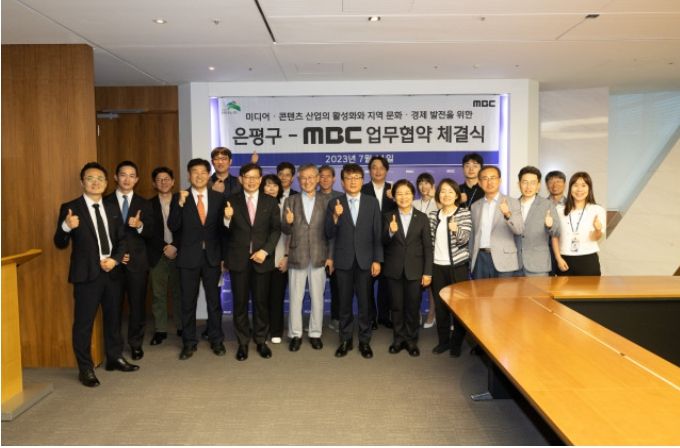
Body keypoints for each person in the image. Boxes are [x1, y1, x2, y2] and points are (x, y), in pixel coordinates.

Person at [54, 162, 138, 387]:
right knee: (84, 324)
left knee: (113, 319)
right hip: (86, 275)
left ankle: (114, 358)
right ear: (82, 182)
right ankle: (86, 368)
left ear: (107, 182)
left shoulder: (111, 207)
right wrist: (66, 227)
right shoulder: (70, 208)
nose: (96, 182)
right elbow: (59, 242)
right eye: (90, 178)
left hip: (112, 272)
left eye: (100, 178)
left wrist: (115, 260)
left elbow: (122, 240)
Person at [168, 158, 226, 360]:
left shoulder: (218, 198)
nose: (199, 176)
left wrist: (223, 257)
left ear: (208, 175)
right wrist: (180, 205)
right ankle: (189, 343)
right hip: (188, 258)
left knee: (214, 302)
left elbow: (223, 231)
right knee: (187, 302)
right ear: (188, 175)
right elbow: (173, 226)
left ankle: (216, 340)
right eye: (195, 172)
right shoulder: (179, 197)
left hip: (212, 258)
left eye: (203, 172)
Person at [223, 163, 282, 361]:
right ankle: (242, 342)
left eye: (255, 177)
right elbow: (223, 232)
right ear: (241, 179)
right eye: (247, 177)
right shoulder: (231, 201)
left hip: (262, 260)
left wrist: (265, 251)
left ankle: (260, 341)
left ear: (260, 179)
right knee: (240, 303)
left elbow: (275, 230)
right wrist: (226, 219)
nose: (251, 181)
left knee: (261, 303)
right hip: (238, 260)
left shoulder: (270, 202)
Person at [326, 163, 383, 359]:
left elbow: (377, 234)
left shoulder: (372, 203)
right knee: (344, 304)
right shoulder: (334, 203)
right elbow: (328, 233)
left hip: (366, 261)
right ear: (342, 182)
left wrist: (377, 260)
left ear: (362, 180)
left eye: (357, 178)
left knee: (365, 304)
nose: (353, 181)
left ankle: (365, 341)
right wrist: (335, 216)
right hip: (343, 261)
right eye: (349, 178)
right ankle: (345, 340)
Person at [103, 160, 153, 361]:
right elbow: (100, 235)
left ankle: (135, 344)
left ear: (137, 179)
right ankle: (114, 347)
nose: (127, 179)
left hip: (137, 263)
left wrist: (140, 226)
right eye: (123, 175)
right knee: (112, 307)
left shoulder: (145, 203)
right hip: (112, 263)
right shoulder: (104, 202)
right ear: (116, 177)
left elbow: (153, 233)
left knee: (137, 306)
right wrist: (115, 255)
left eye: (132, 176)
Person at [282, 164, 333, 351]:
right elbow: (285, 230)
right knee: (295, 298)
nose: (307, 181)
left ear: (318, 178)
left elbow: (331, 233)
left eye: (311, 177)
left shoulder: (327, 201)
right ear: (298, 180)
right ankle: (295, 334)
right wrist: (287, 222)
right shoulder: (291, 201)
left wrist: (330, 256)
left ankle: (315, 333)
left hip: (320, 255)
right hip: (297, 254)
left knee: (317, 297)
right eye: (303, 178)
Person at [382, 180, 433, 357]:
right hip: (394, 269)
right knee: (396, 307)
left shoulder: (422, 217)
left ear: (413, 195)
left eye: (407, 193)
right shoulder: (388, 216)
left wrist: (427, 272)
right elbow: (381, 242)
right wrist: (390, 232)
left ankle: (411, 340)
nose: (403, 197)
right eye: (399, 194)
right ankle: (398, 339)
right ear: (394, 197)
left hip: (415, 270)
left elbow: (427, 247)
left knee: (412, 306)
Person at [428, 179, 472, 357]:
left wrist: (456, 229)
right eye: (443, 191)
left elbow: (464, 239)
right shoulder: (433, 215)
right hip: (437, 267)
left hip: (457, 267)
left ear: (456, 195)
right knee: (440, 308)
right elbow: (429, 242)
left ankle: (456, 343)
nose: (446, 195)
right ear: (438, 195)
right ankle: (443, 342)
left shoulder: (464, 213)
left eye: (450, 191)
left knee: (459, 308)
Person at [146, 166, 182, 345]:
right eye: (159, 179)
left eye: (166, 178)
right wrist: (164, 247)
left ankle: (182, 326)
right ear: (154, 183)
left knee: (179, 292)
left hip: (179, 254)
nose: (163, 182)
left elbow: (188, 228)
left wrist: (175, 246)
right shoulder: (148, 204)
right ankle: (160, 330)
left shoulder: (181, 201)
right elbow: (148, 231)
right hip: (157, 254)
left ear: (173, 181)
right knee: (158, 294)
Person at [470, 166, 524, 279]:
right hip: (480, 258)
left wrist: (507, 214)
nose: (489, 182)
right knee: (480, 290)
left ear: (500, 180)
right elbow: (473, 235)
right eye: (485, 178)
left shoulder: (512, 202)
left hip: (504, 259)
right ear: (479, 183)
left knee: (504, 291)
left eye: (493, 178)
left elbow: (519, 230)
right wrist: (471, 258)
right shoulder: (475, 206)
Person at [361, 155, 396, 329]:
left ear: (387, 171)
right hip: (367, 244)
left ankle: (384, 316)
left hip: (390, 244)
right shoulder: (362, 189)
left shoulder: (395, 190)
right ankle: (371, 317)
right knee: (367, 284)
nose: (378, 171)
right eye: (374, 167)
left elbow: (404, 211)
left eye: (381, 167)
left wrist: (395, 198)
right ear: (369, 171)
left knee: (386, 284)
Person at [553, 172, 606, 276]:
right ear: (570, 188)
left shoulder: (597, 210)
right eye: (575, 185)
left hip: (588, 260)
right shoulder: (559, 210)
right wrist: (558, 258)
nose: (579, 189)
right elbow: (555, 236)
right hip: (564, 260)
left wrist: (598, 230)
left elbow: (594, 238)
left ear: (589, 188)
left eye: (583, 185)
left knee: (590, 287)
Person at [259, 174, 288, 345]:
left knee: (277, 297)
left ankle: (276, 331)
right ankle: (262, 330)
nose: (271, 188)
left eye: (275, 185)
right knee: (261, 298)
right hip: (261, 259)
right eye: (268, 185)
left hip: (280, 259)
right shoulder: (256, 206)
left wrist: (287, 257)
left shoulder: (286, 206)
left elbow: (291, 236)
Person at [515, 166, 560, 277]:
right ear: (519, 184)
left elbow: (557, 232)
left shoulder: (547, 205)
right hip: (514, 265)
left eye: (533, 183)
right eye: (525, 182)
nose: (528, 187)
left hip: (538, 265)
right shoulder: (512, 205)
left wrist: (550, 226)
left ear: (538, 185)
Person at [412, 172, 439, 328]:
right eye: (421, 183)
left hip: (434, 249)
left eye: (427, 183)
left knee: (432, 286)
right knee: (415, 285)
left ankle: (431, 314)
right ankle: (415, 314)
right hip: (416, 250)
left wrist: (436, 198)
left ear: (433, 185)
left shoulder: (439, 202)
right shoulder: (413, 203)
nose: (424, 186)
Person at [319, 164, 343, 332]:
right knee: (315, 289)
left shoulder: (341, 198)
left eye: (328, 176)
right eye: (322, 176)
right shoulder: (311, 196)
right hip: (314, 250)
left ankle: (336, 318)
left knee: (337, 288)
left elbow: (338, 231)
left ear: (334, 179)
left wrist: (332, 255)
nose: (325, 179)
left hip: (336, 250)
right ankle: (315, 322)